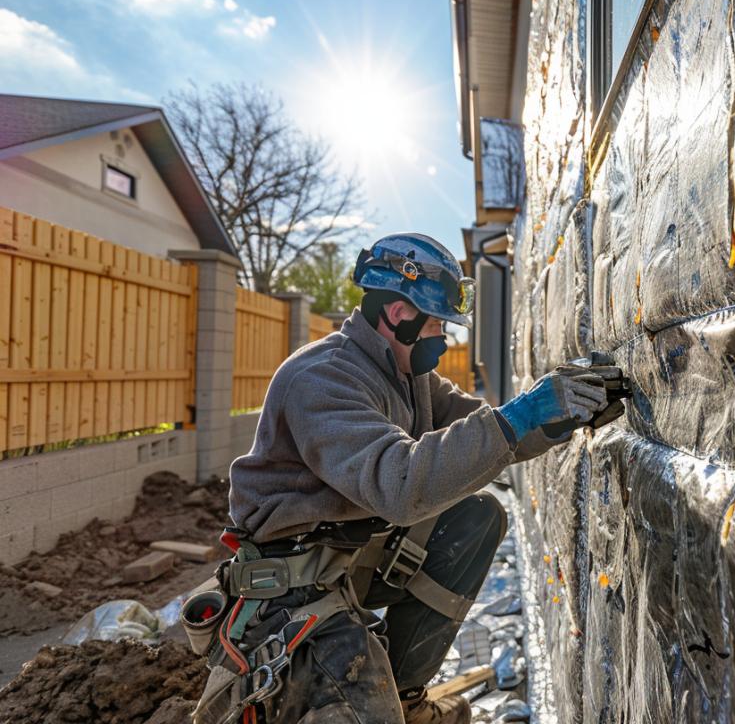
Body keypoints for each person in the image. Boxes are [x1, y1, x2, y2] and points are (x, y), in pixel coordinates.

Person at [192, 233, 625, 724]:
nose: (444, 337)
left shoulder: (406, 376)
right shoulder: (322, 378)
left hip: (348, 555)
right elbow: (398, 484)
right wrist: (521, 414)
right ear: (399, 313)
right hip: (292, 585)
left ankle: (405, 690)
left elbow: (484, 431)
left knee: (473, 517)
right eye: (439, 322)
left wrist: (560, 415)